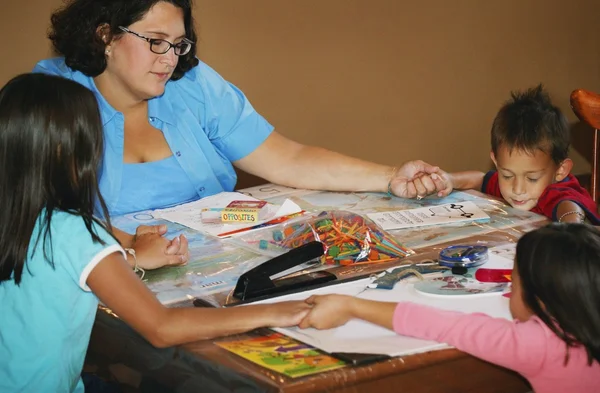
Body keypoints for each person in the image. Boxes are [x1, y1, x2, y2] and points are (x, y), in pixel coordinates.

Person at [33, 0, 447, 270]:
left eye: (178, 44)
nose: (168, 60)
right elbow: (38, 217)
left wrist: (391, 176)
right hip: (106, 280)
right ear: (105, 35)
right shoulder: (52, 99)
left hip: (221, 267)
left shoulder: (191, 84)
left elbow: (287, 158)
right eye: (155, 42)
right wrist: (127, 252)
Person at [0, 73, 311, 393]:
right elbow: (162, 328)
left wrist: (131, 255)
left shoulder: (17, 219)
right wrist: (274, 311)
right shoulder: (74, 232)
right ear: (72, 154)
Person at [299, 223, 600, 392]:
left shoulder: (540, 345)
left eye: (515, 284)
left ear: (544, 300)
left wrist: (351, 305)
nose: (508, 292)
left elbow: (444, 324)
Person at [434, 84, 599, 224]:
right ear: (496, 161)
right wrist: (450, 179)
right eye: (507, 175)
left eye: (532, 178)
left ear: (560, 171)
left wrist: (572, 225)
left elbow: (568, 206)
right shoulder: (510, 183)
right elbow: (481, 179)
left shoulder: (556, 191)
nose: (517, 189)